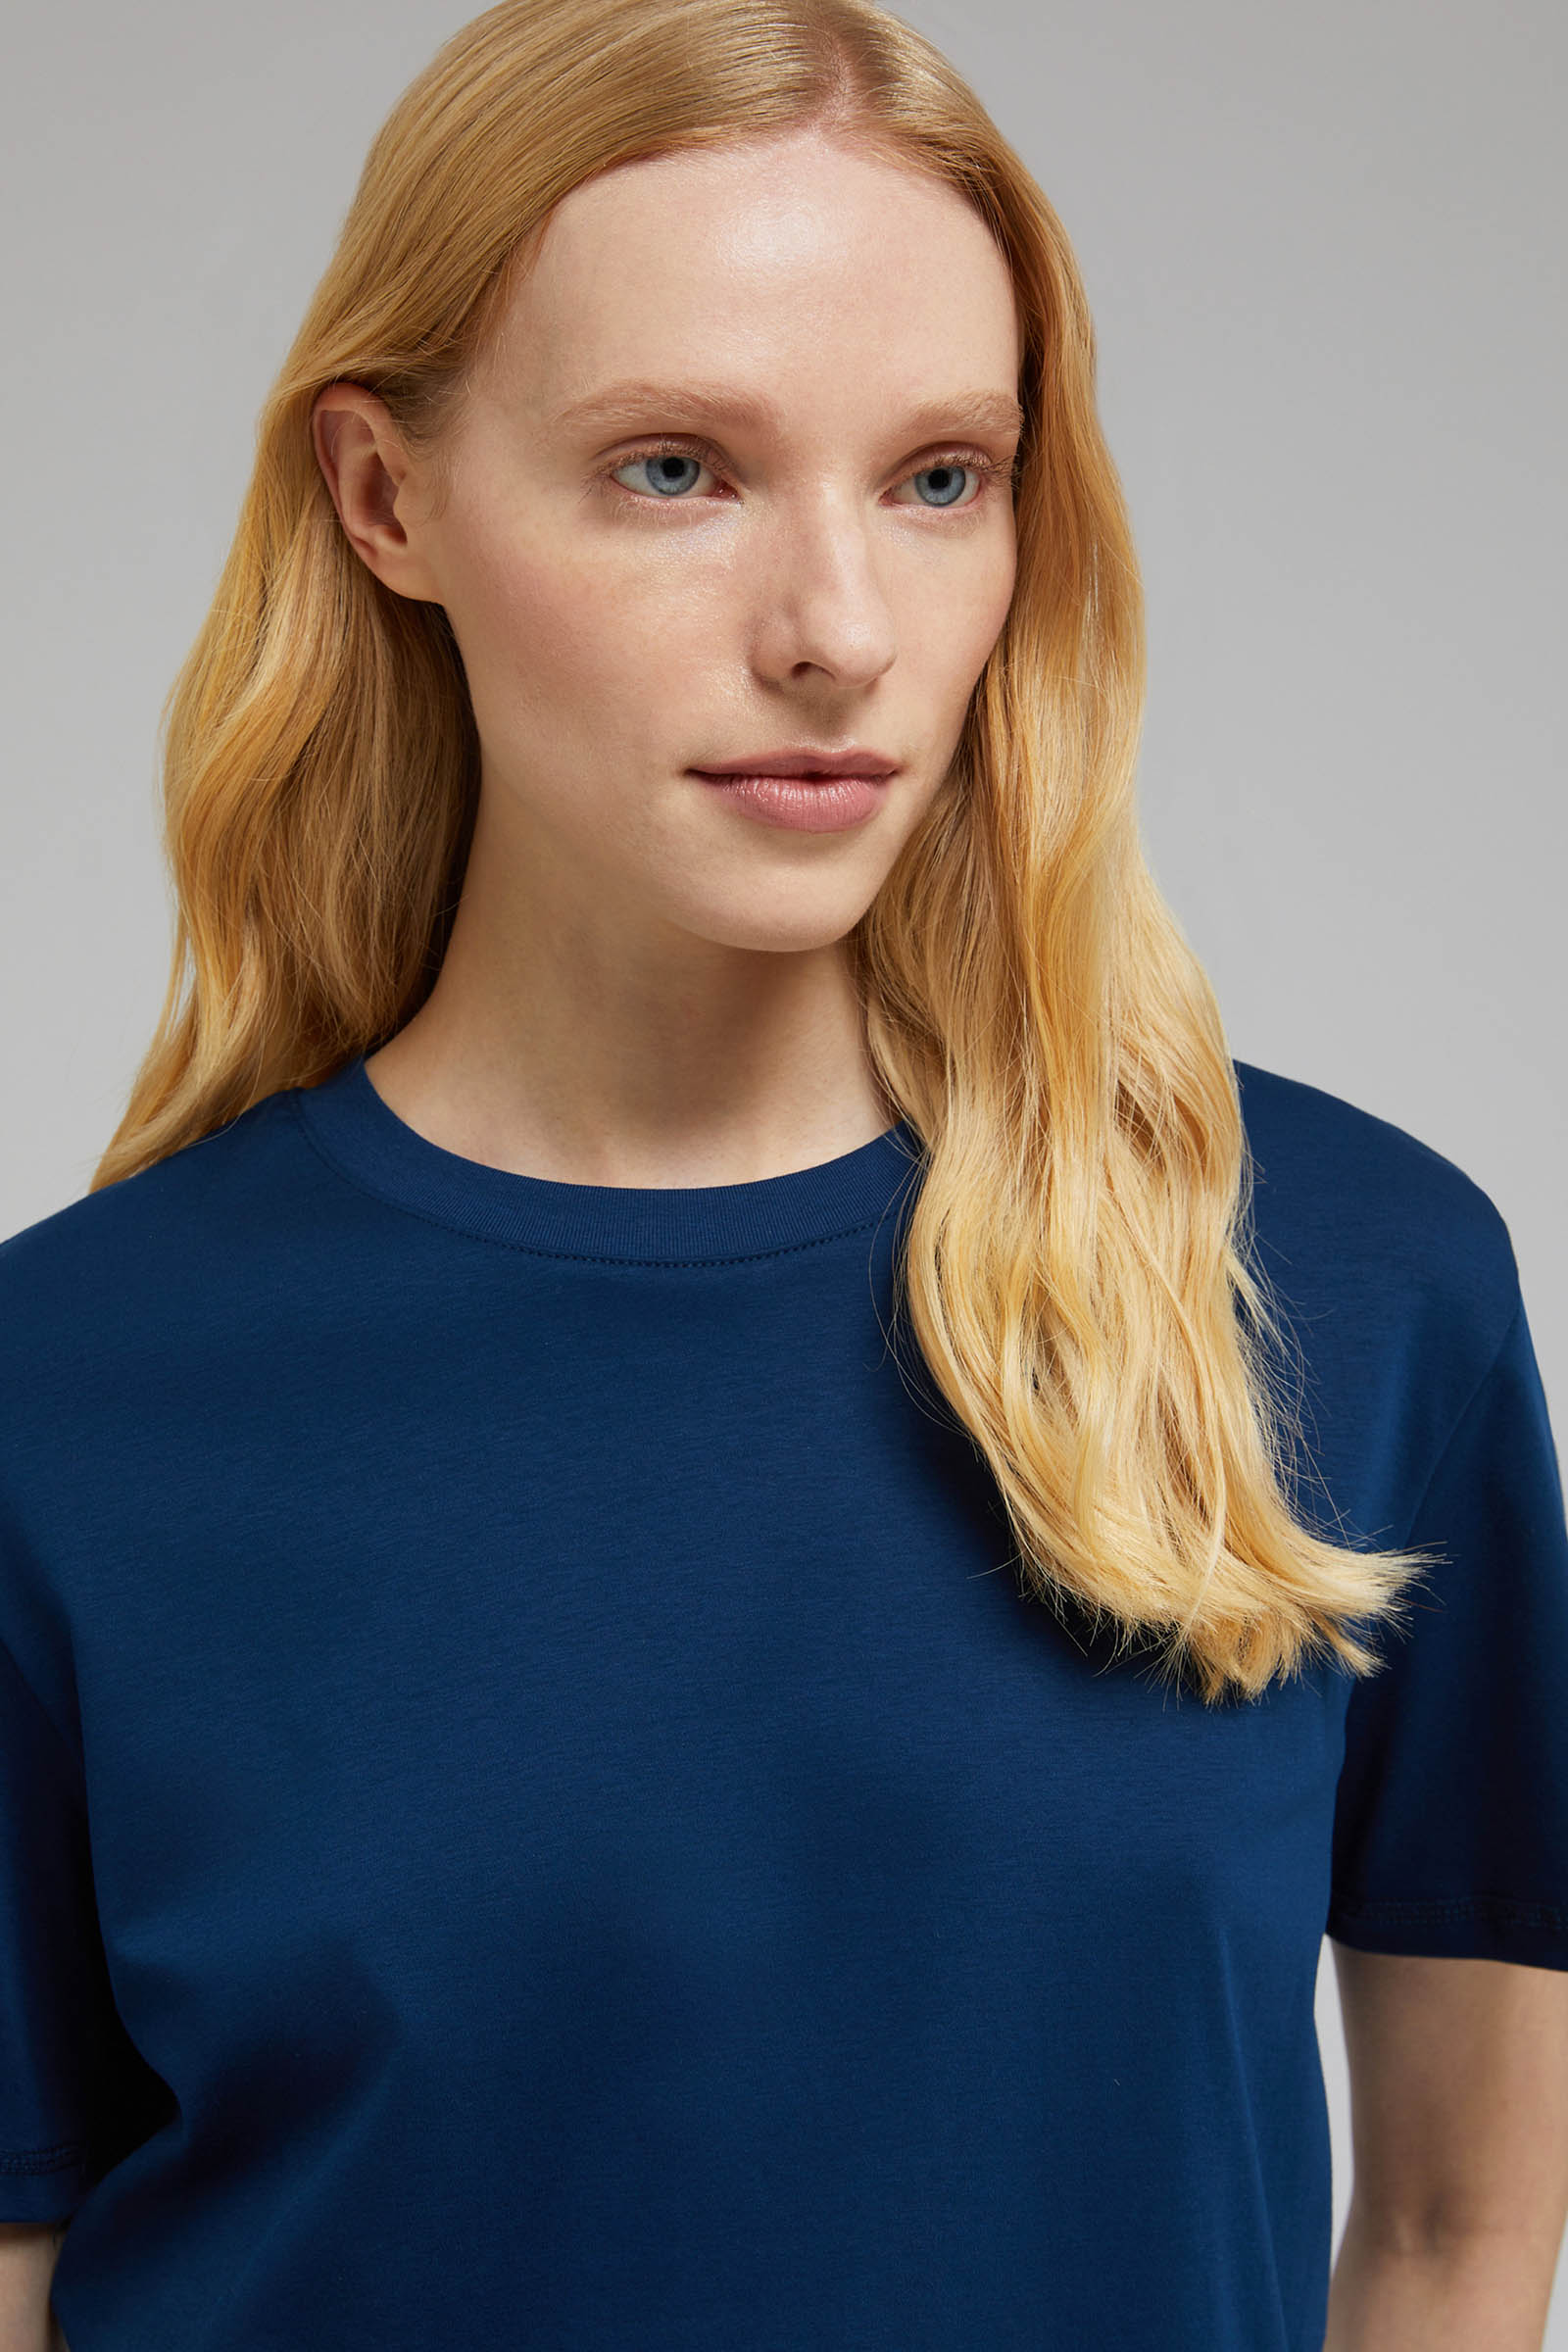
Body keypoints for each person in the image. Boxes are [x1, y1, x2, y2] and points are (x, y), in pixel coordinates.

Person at [3, 2, 1566, 2346]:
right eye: (675, 470)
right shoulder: (67, 1401)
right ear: (386, 499)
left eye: (938, 477)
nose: (838, 632)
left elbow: (1455, 2228)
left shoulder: (1347, 1288)